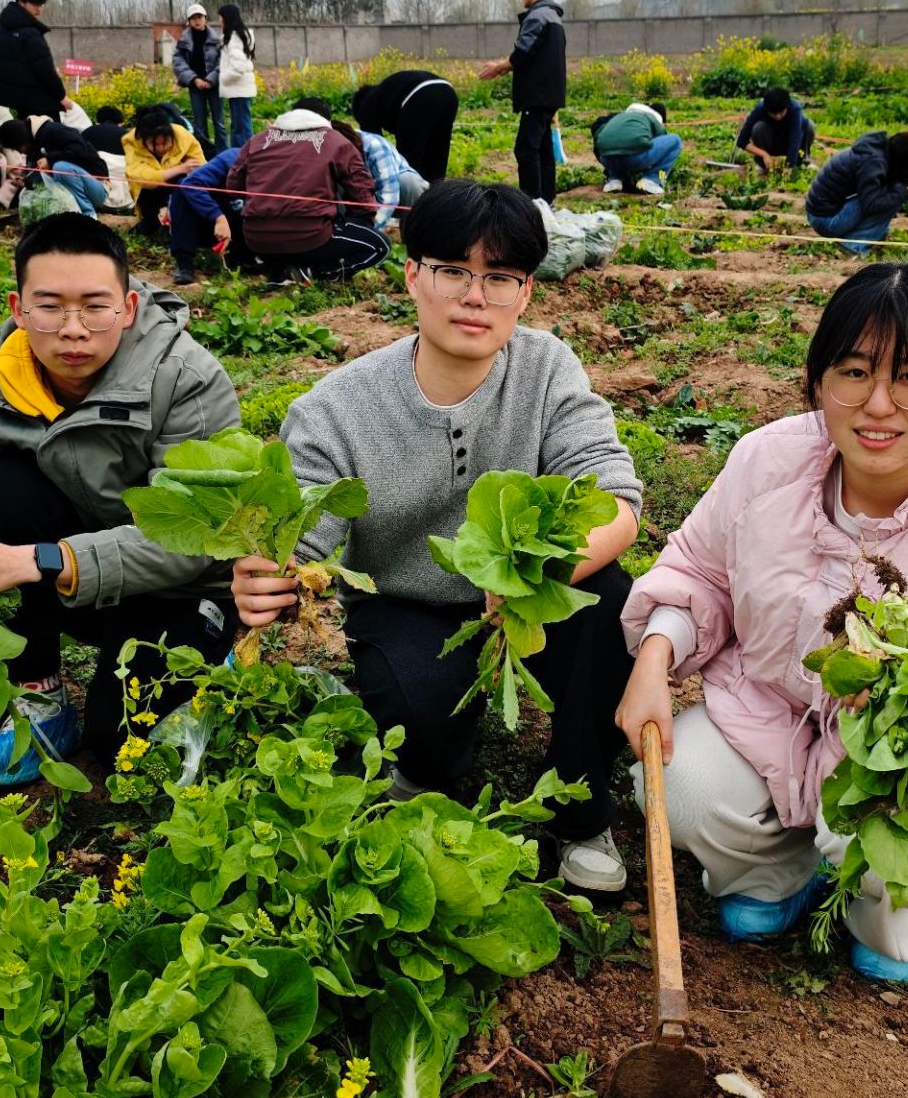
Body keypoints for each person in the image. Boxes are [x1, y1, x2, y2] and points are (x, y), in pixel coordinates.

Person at [615, 261, 908, 979]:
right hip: (773, 711)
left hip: (904, 753)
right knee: (677, 782)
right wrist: (655, 655)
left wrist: (884, 710)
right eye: (853, 372)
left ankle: (888, 912)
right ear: (819, 379)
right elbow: (700, 570)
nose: (878, 404)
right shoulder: (768, 460)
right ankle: (774, 876)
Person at [232, 180, 643, 892]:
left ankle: (580, 808)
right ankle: (428, 768)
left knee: (611, 603)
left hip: (530, 590)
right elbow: (298, 532)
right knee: (424, 709)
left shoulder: (546, 369)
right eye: (453, 270)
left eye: (499, 277)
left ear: (526, 294)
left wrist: (527, 579)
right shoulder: (339, 407)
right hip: (409, 600)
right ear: (413, 275)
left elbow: (617, 498)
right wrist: (267, 571)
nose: (473, 296)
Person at [0, 214, 239, 788]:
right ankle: (39, 695)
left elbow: (196, 539)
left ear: (130, 308)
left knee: (126, 747)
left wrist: (36, 560)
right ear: (18, 308)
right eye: (49, 307)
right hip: (74, 586)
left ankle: (213, 657)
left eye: (95, 306)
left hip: (179, 586)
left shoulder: (186, 380)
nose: (73, 329)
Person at [225, 96, 384, 284]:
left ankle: (279, 270)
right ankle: (319, 272)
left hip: (257, 239)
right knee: (379, 246)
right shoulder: (336, 141)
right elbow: (362, 192)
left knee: (283, 237)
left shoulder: (257, 140)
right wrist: (362, 222)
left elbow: (233, 187)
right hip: (310, 238)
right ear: (326, 120)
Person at [477, 0, 567, 202]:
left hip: (537, 95)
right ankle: (546, 202)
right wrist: (504, 66)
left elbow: (524, 51)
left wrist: (499, 66)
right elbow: (534, 54)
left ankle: (531, 206)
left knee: (526, 149)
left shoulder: (537, 16)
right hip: (550, 94)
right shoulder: (554, 17)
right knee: (544, 150)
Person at [804, 130, 908, 254]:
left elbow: (894, 183)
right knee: (891, 198)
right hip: (825, 219)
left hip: (823, 213)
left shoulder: (882, 152)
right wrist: (905, 193)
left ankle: (857, 237)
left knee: (893, 194)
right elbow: (872, 204)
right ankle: (853, 245)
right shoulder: (873, 163)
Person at [352, 69, 460, 183]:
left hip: (421, 95)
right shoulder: (386, 92)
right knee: (438, 151)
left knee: (408, 159)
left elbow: (374, 146)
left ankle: (410, 197)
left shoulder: (366, 104)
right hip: (448, 92)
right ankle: (436, 192)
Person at [0, 115, 109, 218]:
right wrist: (26, 180)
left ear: (22, 138)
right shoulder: (34, 145)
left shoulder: (54, 131)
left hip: (97, 187)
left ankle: (88, 214)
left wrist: (50, 159)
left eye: (19, 147)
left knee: (61, 168)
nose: (21, 151)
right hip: (80, 188)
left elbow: (80, 151)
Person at [165, 145, 246, 285]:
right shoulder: (231, 157)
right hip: (206, 220)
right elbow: (191, 184)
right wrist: (219, 218)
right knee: (182, 192)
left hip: (239, 220)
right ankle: (184, 261)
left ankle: (243, 258)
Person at [0, 0, 73, 122]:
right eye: (35, 4)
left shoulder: (2, 31)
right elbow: (45, 69)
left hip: (20, 100)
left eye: (41, 5)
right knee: (49, 139)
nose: (39, 9)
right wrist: (61, 96)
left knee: (27, 136)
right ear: (21, 2)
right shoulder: (30, 33)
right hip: (40, 101)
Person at [124, 109, 208, 232]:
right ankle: (150, 221)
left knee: (186, 182)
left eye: (165, 143)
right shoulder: (131, 141)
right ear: (143, 139)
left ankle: (182, 221)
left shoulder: (182, 136)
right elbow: (142, 178)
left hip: (178, 184)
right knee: (146, 193)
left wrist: (189, 171)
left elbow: (201, 168)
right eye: (153, 144)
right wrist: (180, 168)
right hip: (149, 190)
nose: (160, 149)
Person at [593, 101, 683, 195]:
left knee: (616, 145)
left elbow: (599, 134)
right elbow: (663, 145)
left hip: (607, 160)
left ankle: (614, 180)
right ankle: (652, 180)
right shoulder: (652, 118)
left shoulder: (619, 116)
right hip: (633, 159)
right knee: (675, 141)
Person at [352, 122, 428, 231]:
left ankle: (417, 230)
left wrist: (371, 232)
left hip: (398, 191)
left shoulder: (374, 145)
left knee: (407, 181)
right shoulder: (327, 146)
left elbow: (389, 195)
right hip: (365, 195)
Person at [173, 4, 224, 152]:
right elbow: (178, 63)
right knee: (199, 123)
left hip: (214, 85)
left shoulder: (217, 40)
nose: (197, 21)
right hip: (195, 86)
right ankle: (204, 154)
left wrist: (210, 79)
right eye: (193, 18)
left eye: (200, 17)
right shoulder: (183, 41)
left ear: (205, 18)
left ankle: (222, 153)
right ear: (189, 21)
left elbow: (223, 62)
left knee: (218, 122)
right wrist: (195, 79)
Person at [736, 87, 817, 172]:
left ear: (787, 107)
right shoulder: (760, 109)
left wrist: (789, 167)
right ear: (767, 109)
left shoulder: (795, 109)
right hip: (772, 143)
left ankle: (803, 161)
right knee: (758, 127)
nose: (778, 116)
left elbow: (795, 140)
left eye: (781, 113)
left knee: (809, 125)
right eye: (773, 113)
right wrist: (764, 155)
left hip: (790, 143)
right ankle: (762, 164)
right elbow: (741, 141)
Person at [217, 4, 259, 149]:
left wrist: (224, 79)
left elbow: (238, 67)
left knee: (241, 130)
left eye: (220, 18)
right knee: (239, 128)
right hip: (239, 89)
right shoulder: (238, 36)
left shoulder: (234, 38)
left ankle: (244, 160)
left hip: (238, 89)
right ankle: (238, 159)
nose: (219, 22)